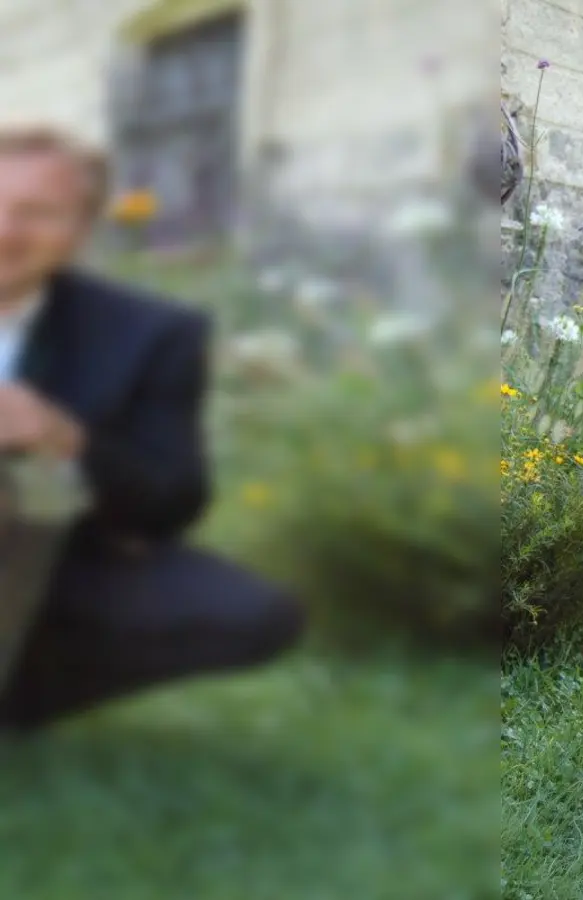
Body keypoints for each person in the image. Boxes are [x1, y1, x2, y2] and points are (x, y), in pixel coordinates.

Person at [0, 125, 304, 732]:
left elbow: (170, 499)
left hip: (54, 553)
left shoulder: (151, 331)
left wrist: (64, 437)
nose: (6, 232)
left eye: (35, 213)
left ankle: (18, 699)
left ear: (80, 232)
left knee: (248, 612)